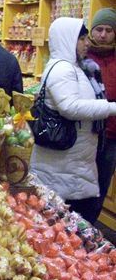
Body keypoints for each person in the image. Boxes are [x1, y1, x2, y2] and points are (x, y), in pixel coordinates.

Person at [30, 17, 116, 224]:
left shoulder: (75, 67)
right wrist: (112, 108)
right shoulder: (63, 69)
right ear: (68, 39)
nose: (88, 43)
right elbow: (70, 107)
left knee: (68, 219)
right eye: (82, 38)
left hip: (73, 159)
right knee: (65, 220)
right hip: (65, 160)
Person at [85, 8, 116, 220]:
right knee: (82, 185)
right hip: (86, 134)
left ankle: (91, 226)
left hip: (112, 136)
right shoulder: (82, 55)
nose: (103, 35)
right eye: (98, 29)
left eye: (108, 30)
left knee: (101, 185)